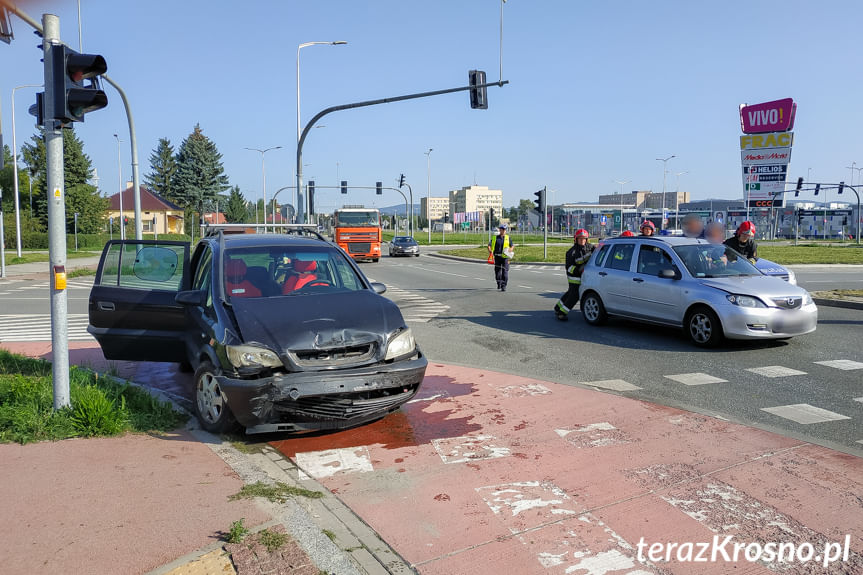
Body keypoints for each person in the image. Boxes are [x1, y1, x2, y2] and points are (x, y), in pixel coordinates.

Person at [554, 229, 594, 320]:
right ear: (575, 239)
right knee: (575, 295)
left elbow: (596, 250)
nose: (582, 241)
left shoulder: (590, 247)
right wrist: (578, 270)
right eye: (580, 239)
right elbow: (568, 267)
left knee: (569, 293)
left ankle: (557, 308)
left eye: (584, 239)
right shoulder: (571, 252)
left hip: (583, 275)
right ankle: (562, 313)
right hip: (574, 277)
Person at [487, 224, 514, 291]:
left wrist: (511, 249)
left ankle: (503, 285)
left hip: (505, 258)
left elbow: (512, 246)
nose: (504, 231)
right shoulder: (495, 238)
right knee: (497, 272)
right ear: (500, 230)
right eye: (502, 229)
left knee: (505, 272)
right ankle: (499, 282)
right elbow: (489, 245)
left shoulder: (508, 238)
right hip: (497, 257)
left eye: (505, 230)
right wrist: (490, 250)